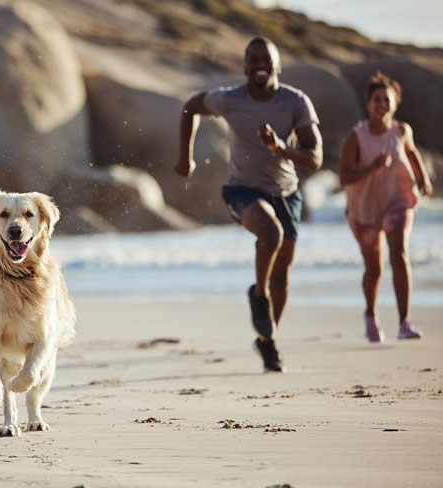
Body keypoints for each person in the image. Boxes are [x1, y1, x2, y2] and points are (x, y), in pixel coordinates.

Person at [175, 37, 323, 372]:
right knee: (270, 234)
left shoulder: (296, 102)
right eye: (253, 58)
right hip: (242, 190)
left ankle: (269, 341)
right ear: (244, 66)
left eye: (266, 59)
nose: (260, 64)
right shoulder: (230, 99)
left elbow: (314, 158)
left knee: (283, 272)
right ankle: (259, 294)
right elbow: (191, 107)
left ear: (278, 65)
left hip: (286, 191)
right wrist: (186, 158)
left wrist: (280, 147)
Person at [338, 72, 433, 343]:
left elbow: (411, 152)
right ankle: (370, 315)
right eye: (376, 100)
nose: (381, 105)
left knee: (399, 254)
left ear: (394, 104)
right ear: (368, 104)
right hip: (365, 207)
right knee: (374, 269)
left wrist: (423, 178)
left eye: (386, 100)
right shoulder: (356, 137)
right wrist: (371, 168)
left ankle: (404, 323)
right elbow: (343, 178)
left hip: (397, 201)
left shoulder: (402, 131)